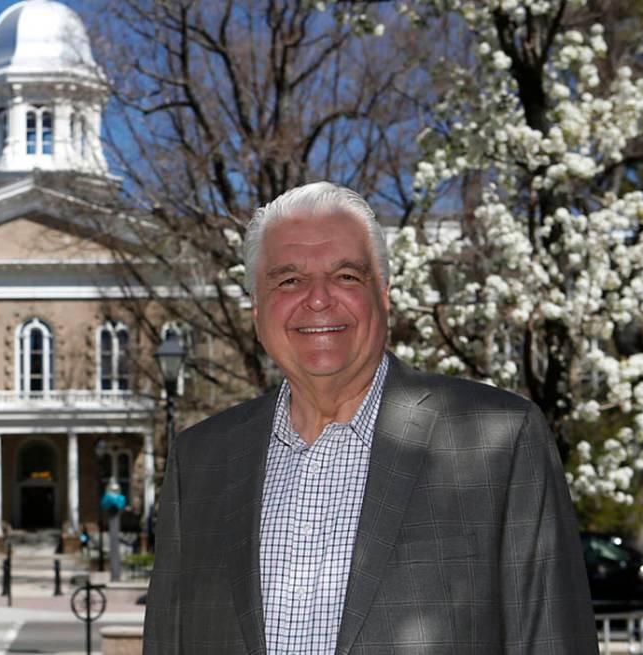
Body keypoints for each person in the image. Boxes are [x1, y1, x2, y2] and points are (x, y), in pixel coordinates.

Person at [142, 182, 598, 654]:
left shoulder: (499, 442)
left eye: (346, 277)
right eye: (289, 280)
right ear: (257, 308)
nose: (318, 300)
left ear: (384, 295)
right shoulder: (200, 462)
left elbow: (553, 641)